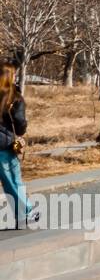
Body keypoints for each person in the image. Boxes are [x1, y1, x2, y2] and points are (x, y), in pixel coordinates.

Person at [0, 62, 37, 229]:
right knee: (13, 181)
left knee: (12, 181)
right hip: (4, 146)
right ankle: (26, 212)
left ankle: (22, 215)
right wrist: (22, 130)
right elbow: (20, 123)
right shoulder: (14, 98)